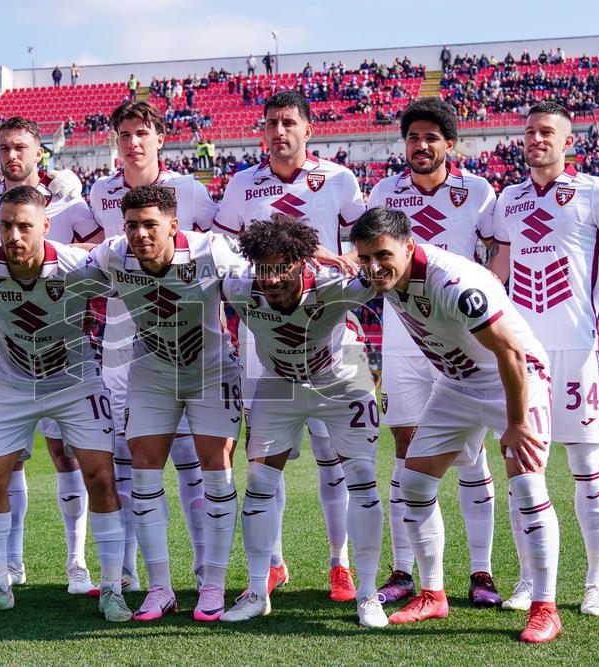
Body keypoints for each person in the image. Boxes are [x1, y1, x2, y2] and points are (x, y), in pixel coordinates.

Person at [352, 207, 562, 644]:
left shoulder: (453, 283)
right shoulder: (381, 276)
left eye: (383, 256)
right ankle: (433, 594)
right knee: (414, 483)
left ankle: (545, 607)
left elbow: (512, 354)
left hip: (515, 379)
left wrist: (518, 422)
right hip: (456, 384)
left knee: (526, 485)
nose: (374, 268)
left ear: (409, 247)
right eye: (365, 258)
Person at [488, 101, 599, 617]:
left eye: (547, 132)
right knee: (522, 467)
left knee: (585, 464)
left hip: (577, 351)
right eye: (530, 131)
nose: (536, 139)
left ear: (568, 143)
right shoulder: (507, 202)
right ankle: (528, 579)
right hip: (522, 356)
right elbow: (496, 273)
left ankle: (595, 580)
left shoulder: (594, 193)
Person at [68, 185, 246, 623]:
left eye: (150, 224)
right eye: (132, 225)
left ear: (173, 224)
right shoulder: (112, 255)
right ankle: (160, 588)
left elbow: (260, 282)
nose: (140, 234)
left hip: (211, 371)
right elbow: (62, 270)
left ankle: (213, 584)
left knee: (217, 475)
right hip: (152, 371)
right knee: (144, 474)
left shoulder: (212, 251)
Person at [214, 90, 366, 603]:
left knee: (334, 456)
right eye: (271, 123)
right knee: (265, 455)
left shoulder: (340, 180)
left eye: (289, 123)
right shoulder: (241, 184)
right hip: (266, 340)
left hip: (328, 331)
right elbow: (225, 252)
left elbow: (363, 246)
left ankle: (339, 563)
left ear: (308, 129)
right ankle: (273, 563)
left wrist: (328, 261)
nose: (279, 131)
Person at [0, 186, 130, 622]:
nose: (14, 235)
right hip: (13, 384)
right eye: (6, 226)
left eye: (24, 226)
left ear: (46, 226)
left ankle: (111, 588)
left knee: (100, 474)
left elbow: (129, 277)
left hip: (75, 380)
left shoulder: (77, 267)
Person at [220, 218, 386, 628]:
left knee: (362, 477)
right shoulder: (239, 286)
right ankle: (258, 590)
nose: (272, 278)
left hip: (341, 379)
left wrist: (348, 257)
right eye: (263, 268)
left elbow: (383, 271)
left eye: (282, 267)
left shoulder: (334, 286)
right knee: (259, 483)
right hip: (279, 382)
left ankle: (368, 594)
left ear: (301, 264)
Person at [368, 97, 501, 607]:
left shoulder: (478, 192)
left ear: (450, 145)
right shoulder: (385, 191)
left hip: (461, 339)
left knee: (471, 457)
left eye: (430, 138)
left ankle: (482, 572)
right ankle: (405, 570)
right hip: (402, 339)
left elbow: (498, 253)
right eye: (412, 137)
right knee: (405, 455)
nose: (420, 146)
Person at [87, 100, 218, 594]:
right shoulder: (100, 193)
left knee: (190, 459)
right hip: (122, 340)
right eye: (124, 134)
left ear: (159, 138)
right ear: (115, 141)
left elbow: (216, 255)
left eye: (142, 132)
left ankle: (205, 568)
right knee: (125, 459)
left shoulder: (190, 191)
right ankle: (124, 570)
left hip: (188, 340)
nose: (133, 142)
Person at [0, 116, 103, 593]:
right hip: (8, 345)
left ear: (39, 151)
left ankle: (77, 562)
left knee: (66, 454)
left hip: (63, 340)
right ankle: (10, 564)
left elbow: (99, 250)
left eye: (20, 147)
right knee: (7, 460)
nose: (10, 156)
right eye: (3, 147)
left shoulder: (67, 195)